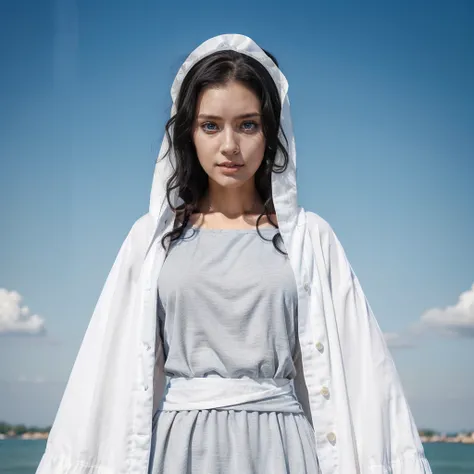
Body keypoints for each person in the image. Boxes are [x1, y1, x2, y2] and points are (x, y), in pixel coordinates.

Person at [36, 34, 432, 474]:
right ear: (189, 131)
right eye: (211, 125)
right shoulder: (151, 239)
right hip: (180, 449)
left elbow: (363, 372)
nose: (230, 145)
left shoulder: (311, 238)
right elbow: (104, 367)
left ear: (272, 132)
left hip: (283, 449)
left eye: (247, 125)